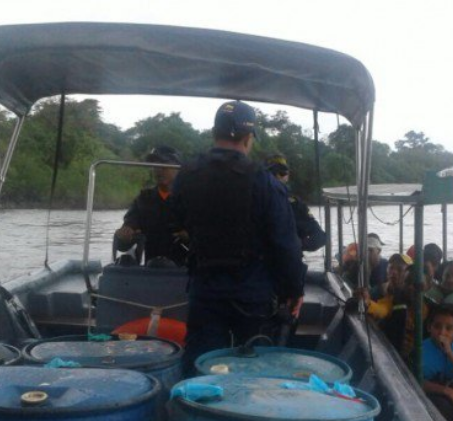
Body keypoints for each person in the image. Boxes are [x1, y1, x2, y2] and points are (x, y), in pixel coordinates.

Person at [171, 101, 306, 376]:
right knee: (253, 367)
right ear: (248, 138)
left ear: (213, 133)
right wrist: (294, 289)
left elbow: (179, 218)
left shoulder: (186, 176)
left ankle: (195, 409)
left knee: (201, 364)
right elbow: (285, 244)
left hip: (205, 290)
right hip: (252, 293)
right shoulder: (265, 183)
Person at [114, 145, 186, 266]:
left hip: (187, 272)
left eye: (164, 164)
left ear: (178, 168)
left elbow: (208, 238)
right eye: (155, 165)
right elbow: (123, 244)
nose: (158, 169)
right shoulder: (143, 199)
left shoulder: (193, 198)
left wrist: (189, 236)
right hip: (151, 272)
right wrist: (123, 237)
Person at [359, 253, 419, 358]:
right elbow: (379, 309)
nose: (394, 272)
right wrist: (366, 301)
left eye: (400, 269)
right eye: (391, 268)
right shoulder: (377, 291)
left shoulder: (414, 297)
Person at [264, 153, 327, 253]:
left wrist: (296, 245)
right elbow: (320, 237)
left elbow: (319, 237)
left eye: (281, 172)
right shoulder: (293, 203)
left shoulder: (294, 204)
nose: (276, 177)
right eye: (274, 173)